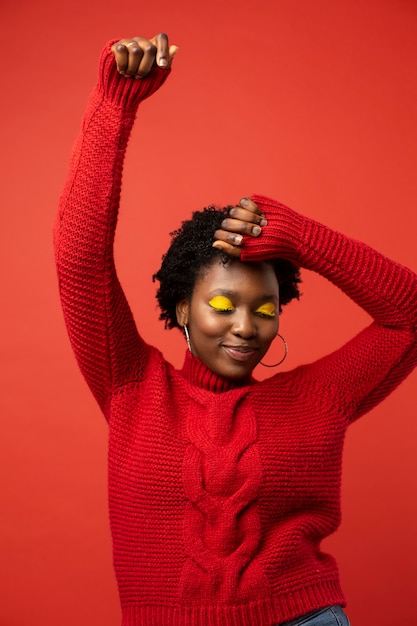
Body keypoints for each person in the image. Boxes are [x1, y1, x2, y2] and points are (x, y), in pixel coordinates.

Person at [54, 33, 417, 626]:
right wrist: (114, 106)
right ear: (179, 310)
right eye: (223, 304)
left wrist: (302, 239)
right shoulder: (131, 387)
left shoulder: (318, 398)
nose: (247, 327)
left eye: (266, 309)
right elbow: (78, 256)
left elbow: (410, 311)